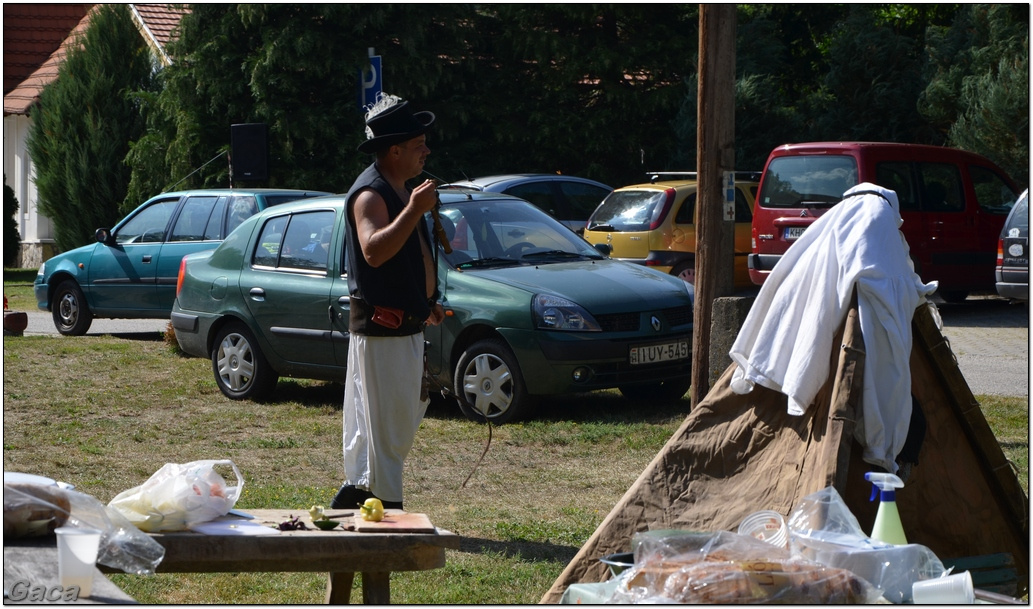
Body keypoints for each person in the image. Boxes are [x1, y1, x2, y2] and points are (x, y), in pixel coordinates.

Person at [330, 94, 445, 511]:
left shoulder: (399, 190)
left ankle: (358, 494)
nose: (426, 152)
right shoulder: (370, 195)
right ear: (394, 150)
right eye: (419, 146)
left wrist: (425, 301)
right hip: (383, 330)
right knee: (387, 430)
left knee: (395, 421)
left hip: (405, 323)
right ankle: (386, 506)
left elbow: (406, 259)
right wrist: (415, 209)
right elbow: (374, 251)